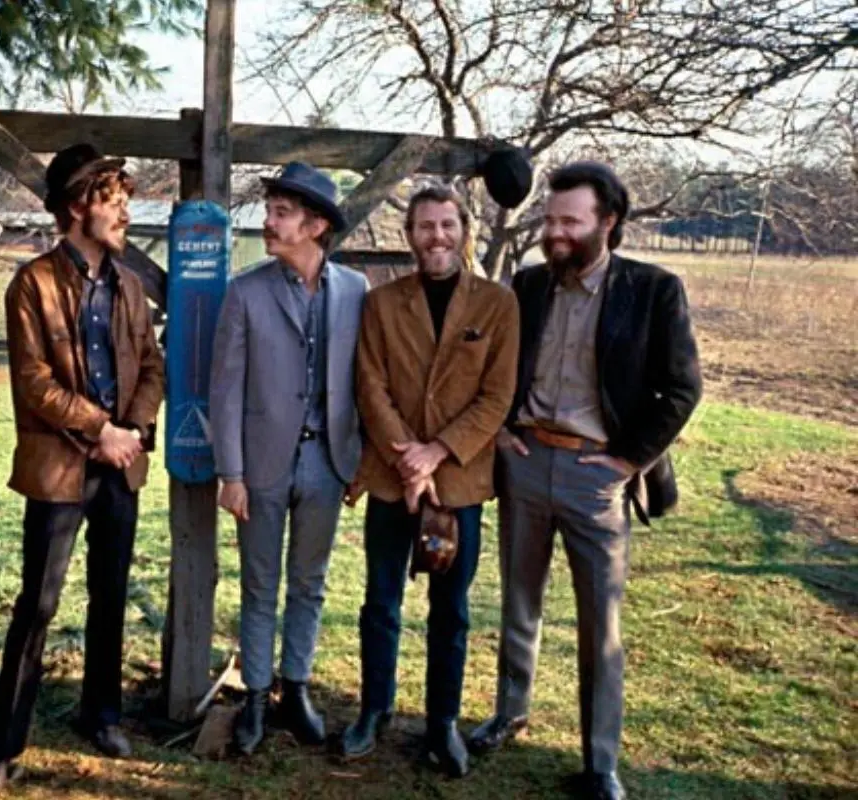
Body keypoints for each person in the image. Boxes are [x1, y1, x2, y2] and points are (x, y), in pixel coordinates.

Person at [467, 161, 702, 800]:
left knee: (601, 622)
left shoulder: (653, 290)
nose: (557, 231)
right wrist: (503, 429)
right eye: (551, 219)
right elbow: (498, 367)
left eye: (571, 221)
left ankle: (601, 762)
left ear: (609, 223)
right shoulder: (529, 284)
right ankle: (509, 711)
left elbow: (682, 388)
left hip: (597, 475)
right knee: (519, 601)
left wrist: (629, 462)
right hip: (525, 462)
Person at [0, 144, 164, 798]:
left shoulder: (130, 285)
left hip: (121, 466)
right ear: (80, 205)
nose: (126, 213)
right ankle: (5, 745)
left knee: (110, 593)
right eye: (116, 201)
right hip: (60, 468)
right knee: (39, 603)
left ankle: (100, 713)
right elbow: (32, 383)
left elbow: (153, 368)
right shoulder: (33, 284)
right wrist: (99, 430)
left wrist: (132, 431)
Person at [340, 185, 519, 776]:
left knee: (452, 607)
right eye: (423, 226)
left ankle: (442, 723)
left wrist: (437, 454)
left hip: (457, 487)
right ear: (408, 233)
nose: (435, 237)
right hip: (393, 482)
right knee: (381, 602)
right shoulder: (382, 302)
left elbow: (496, 396)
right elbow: (370, 386)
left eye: (446, 225)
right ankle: (374, 709)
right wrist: (406, 462)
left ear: (464, 230)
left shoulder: (497, 305)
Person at [208, 161, 367, 756]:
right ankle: (254, 694)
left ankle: (295, 688)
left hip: (328, 463)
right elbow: (223, 390)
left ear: (316, 225)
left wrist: (358, 463)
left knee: (310, 582)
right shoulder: (246, 291)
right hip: (261, 465)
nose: (268, 223)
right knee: (259, 582)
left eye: (280, 214)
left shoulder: (355, 291)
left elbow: (366, 381)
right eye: (269, 212)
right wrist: (232, 473)